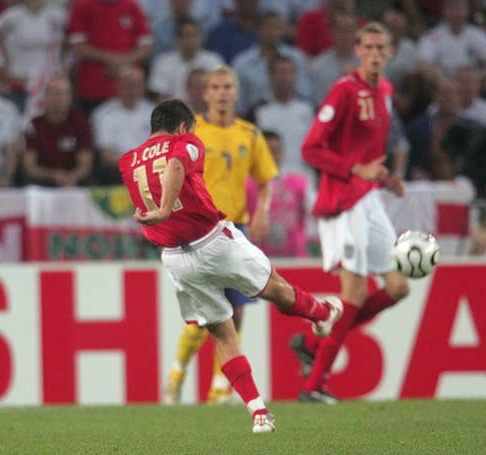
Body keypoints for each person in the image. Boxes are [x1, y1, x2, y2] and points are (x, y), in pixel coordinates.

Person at [118, 98, 343, 432]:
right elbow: (176, 166)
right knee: (275, 289)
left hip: (177, 259)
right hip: (213, 242)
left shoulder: (127, 161)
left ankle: (259, 414)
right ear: (183, 127)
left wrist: (162, 215)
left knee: (222, 334)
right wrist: (166, 208)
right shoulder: (186, 142)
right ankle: (322, 315)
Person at [292, 22, 410, 403]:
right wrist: (355, 171)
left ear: (391, 52)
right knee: (355, 293)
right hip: (344, 201)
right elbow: (310, 149)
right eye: (369, 47)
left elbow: (367, 154)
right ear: (357, 50)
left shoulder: (386, 91)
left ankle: (312, 342)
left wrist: (384, 177)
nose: (376, 54)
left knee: (398, 287)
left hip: (370, 197)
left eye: (382, 48)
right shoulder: (344, 90)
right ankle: (314, 387)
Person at [164, 65, 280, 405]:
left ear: (237, 92)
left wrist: (263, 210)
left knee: (237, 311)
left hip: (235, 229)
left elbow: (266, 179)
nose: (223, 92)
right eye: (216, 87)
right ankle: (176, 376)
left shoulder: (250, 134)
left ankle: (218, 389)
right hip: (198, 231)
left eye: (228, 86)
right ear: (205, 94)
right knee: (205, 315)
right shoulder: (192, 135)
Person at [21, 76, 94, 186]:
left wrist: (72, 177)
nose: (59, 98)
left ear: (71, 97)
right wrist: (52, 176)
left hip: (74, 181)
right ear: (45, 96)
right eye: (54, 93)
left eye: (64, 93)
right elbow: (29, 166)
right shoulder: (34, 125)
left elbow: (85, 164)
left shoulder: (81, 122)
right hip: (43, 182)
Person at [91, 66, 154, 184]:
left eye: (136, 84)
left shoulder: (155, 112)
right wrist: (132, 165)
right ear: (118, 86)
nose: (132, 89)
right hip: (117, 170)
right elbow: (105, 154)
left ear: (143, 87)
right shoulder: (103, 113)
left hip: (149, 169)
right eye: (128, 84)